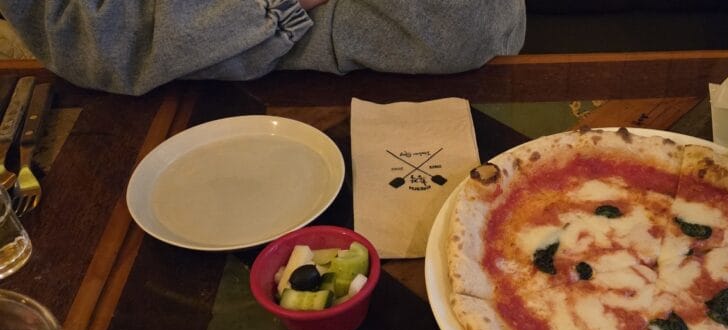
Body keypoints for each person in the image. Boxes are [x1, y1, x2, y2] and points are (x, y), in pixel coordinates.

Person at [0, 0, 527, 95]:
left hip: (427, 99)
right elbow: (85, 35)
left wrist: (190, 34)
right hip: (144, 123)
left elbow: (467, 28)